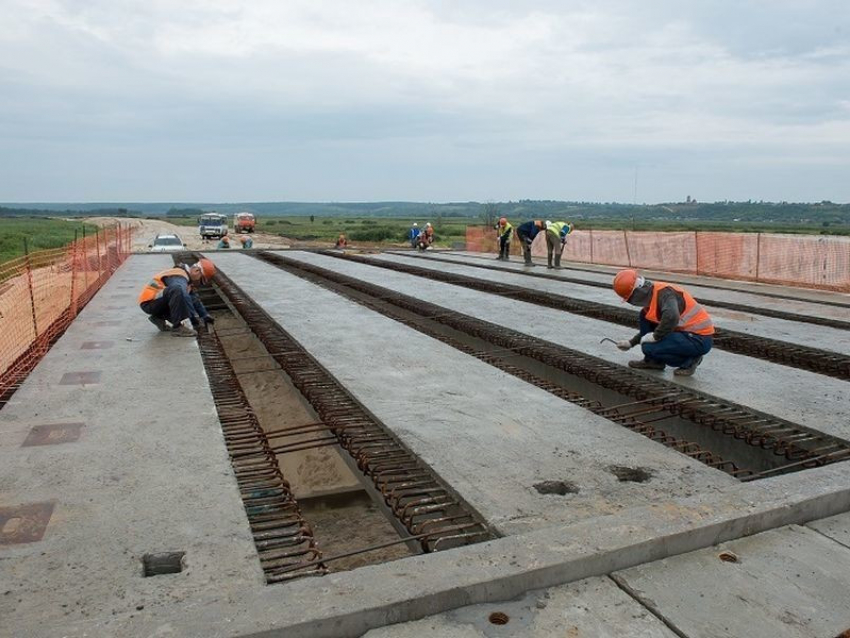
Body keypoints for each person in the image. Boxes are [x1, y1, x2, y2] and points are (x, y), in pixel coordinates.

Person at [612, 269, 714, 376]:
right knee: (645, 317)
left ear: (637, 293)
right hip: (685, 335)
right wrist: (631, 343)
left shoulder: (665, 294)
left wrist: (656, 337)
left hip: (699, 338)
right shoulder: (651, 301)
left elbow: (672, 317)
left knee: (649, 347)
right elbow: (647, 332)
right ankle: (653, 361)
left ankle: (690, 361)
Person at [138, 259, 217, 337]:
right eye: (201, 280)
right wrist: (193, 320)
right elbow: (184, 295)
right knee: (178, 290)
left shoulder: (184, 276)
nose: (199, 283)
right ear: (196, 270)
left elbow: (193, 298)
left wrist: (204, 315)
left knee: (181, 294)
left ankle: (158, 317)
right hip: (149, 303)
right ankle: (177, 328)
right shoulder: (180, 276)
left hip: (156, 302)